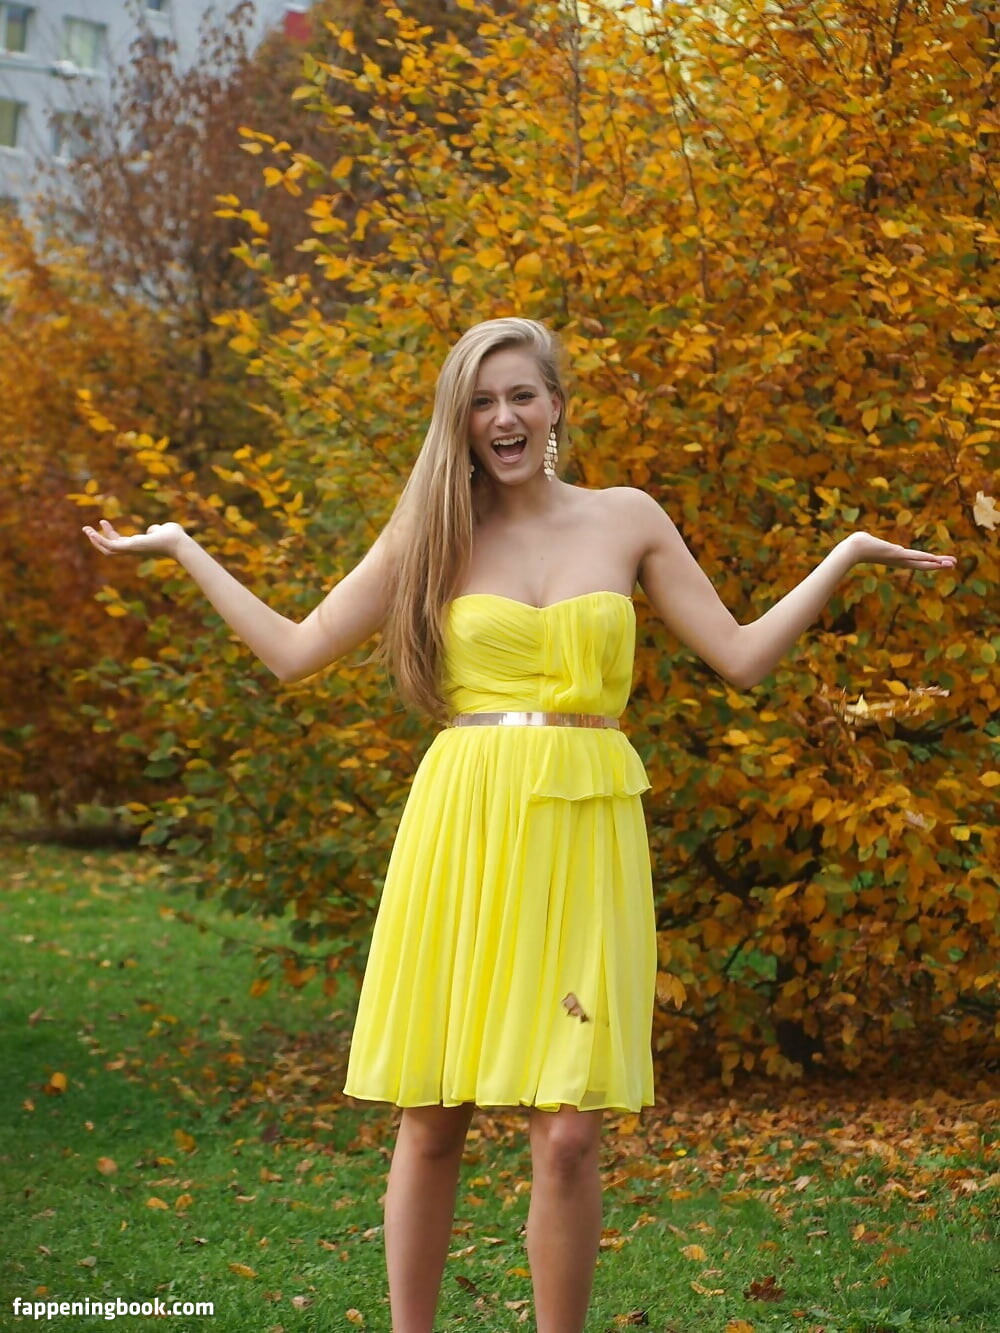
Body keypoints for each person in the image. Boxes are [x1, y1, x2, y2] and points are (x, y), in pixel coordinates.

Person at [83, 316, 956, 1332]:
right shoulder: (435, 531)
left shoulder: (626, 517)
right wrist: (184, 546)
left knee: (571, 1132)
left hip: (586, 829)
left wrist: (843, 554)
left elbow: (741, 656)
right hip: (465, 822)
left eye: (520, 396)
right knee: (432, 1114)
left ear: (556, 407)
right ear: (459, 420)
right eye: (481, 401)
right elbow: (293, 649)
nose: (503, 417)